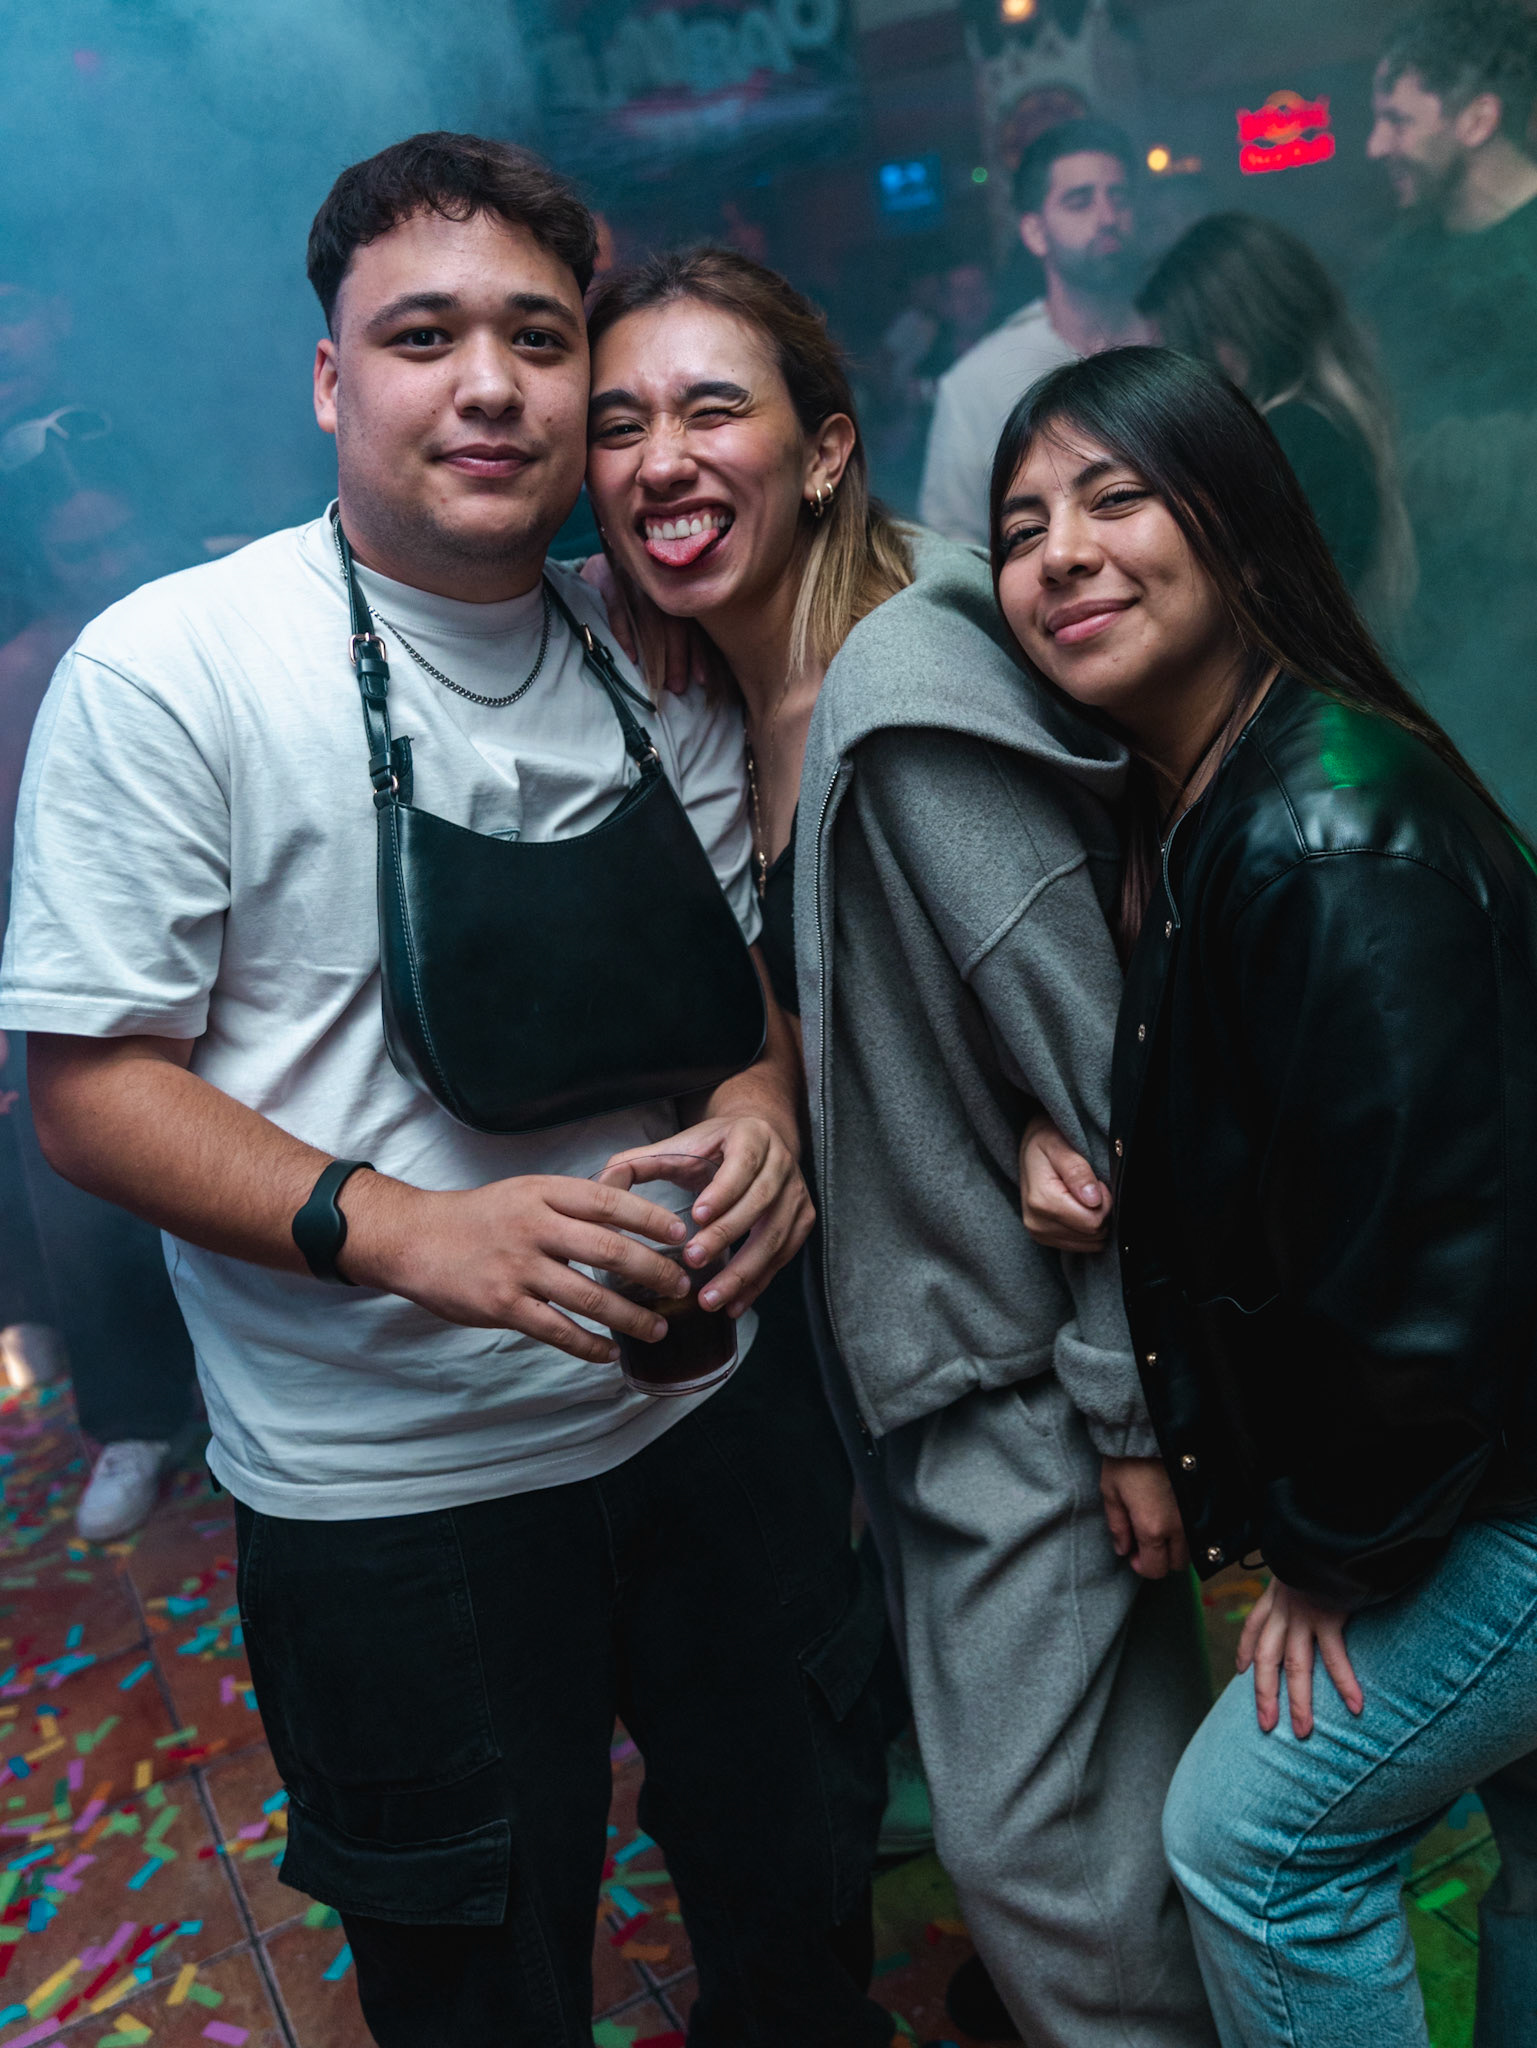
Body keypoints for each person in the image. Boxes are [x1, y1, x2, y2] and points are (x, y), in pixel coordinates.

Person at [0, 133, 894, 2048]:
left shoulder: (648, 640)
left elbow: (737, 984)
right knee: (478, 1991)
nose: (488, 384)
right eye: (423, 336)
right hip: (395, 1503)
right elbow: (87, 1091)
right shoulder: (175, 668)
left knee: (802, 1907)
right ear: (332, 379)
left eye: (537, 338)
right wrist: (405, 1229)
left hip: (716, 1426)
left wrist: (765, 1105)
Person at [583, 246, 1215, 2048]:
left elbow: (1105, 1089)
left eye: (713, 408)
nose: (661, 457)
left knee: (1045, 1874)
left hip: (1028, 1385)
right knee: (1109, 1852)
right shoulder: (737, 692)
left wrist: (1129, 1417)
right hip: (937, 1378)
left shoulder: (905, 692)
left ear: (826, 448)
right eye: (620, 424)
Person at [997, 343, 1537, 2048]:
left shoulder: (1321, 829)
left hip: (1497, 1488)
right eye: (1019, 527)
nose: (1060, 554)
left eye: (1113, 496)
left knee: (1254, 1839)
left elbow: (1424, 1264)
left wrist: (1331, 1558)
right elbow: (1310, 1148)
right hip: (1481, 1461)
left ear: (1231, 520)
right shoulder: (1225, 798)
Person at [1361, 0, 1537, 827]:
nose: (1374, 146)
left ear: (1476, 119)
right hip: (1443, 646)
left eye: (1396, 120)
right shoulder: (1396, 271)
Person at [1137, 214, 1414, 621]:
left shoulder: (1294, 438)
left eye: (1175, 346)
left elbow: (1261, 613)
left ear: (1233, 337)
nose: (1171, 373)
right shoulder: (1313, 424)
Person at [918, 117, 1147, 546]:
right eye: (1080, 202)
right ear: (1035, 232)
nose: (1108, 217)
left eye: (1119, 198)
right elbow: (954, 547)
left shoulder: (1182, 335)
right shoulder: (977, 384)